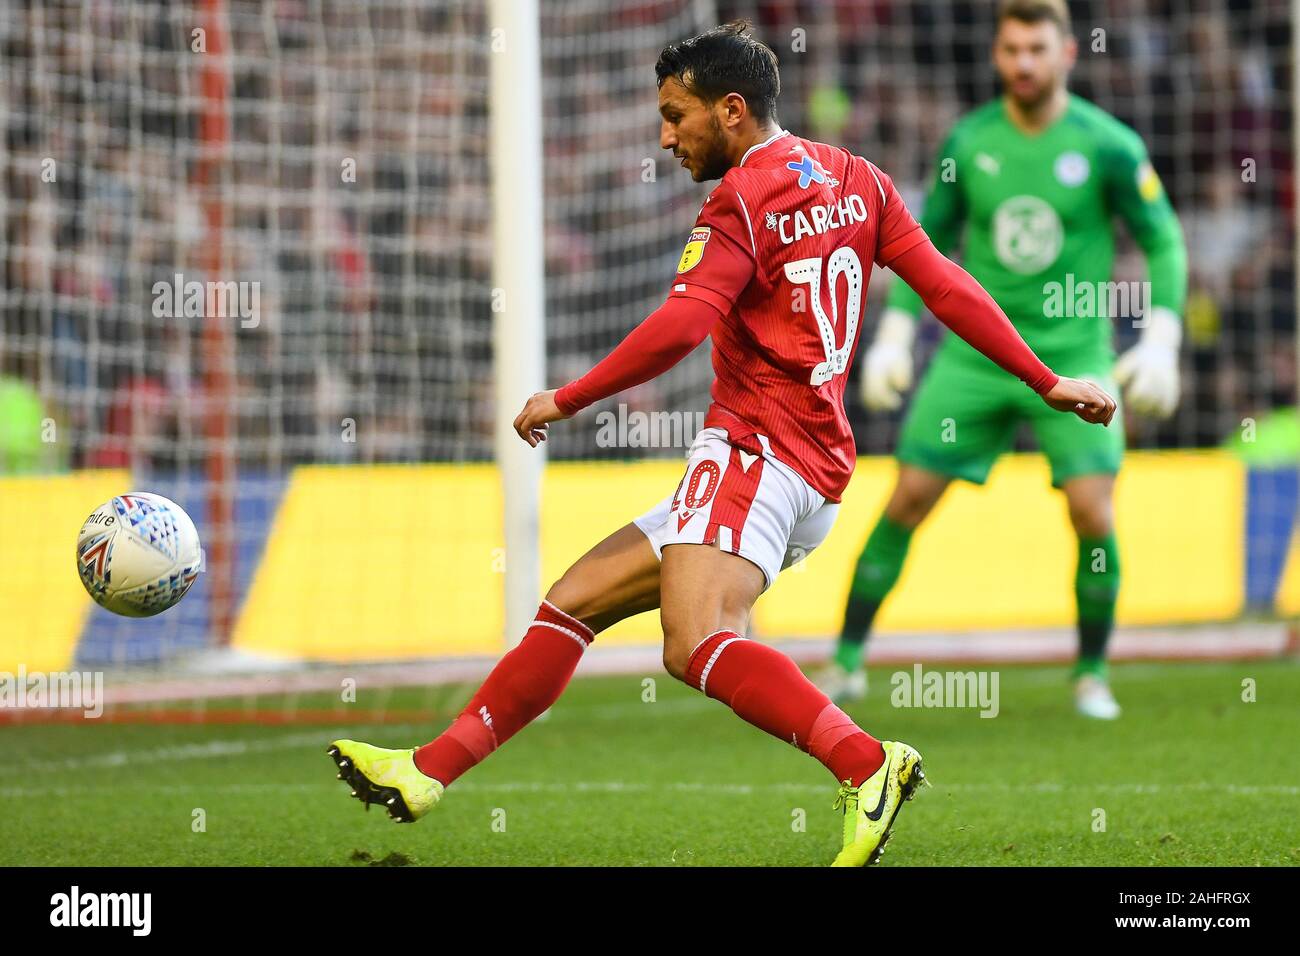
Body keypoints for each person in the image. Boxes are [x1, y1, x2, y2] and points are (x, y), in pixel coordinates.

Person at [328, 21, 1116, 866]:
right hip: (814, 462)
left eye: (677, 115)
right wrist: (1047, 379)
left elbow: (683, 324)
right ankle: (428, 771)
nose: (666, 137)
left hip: (755, 451)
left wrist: (567, 397)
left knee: (696, 637)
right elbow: (947, 286)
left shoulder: (741, 198)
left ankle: (867, 761)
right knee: (574, 600)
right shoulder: (858, 178)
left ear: (731, 111)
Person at [819, 0, 1186, 720]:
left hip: (1074, 351)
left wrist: (1164, 334)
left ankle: (1090, 674)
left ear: (1066, 55)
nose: (1023, 63)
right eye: (1011, 49)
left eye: (1036, 50)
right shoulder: (968, 141)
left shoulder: (1108, 144)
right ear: (996, 54)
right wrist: (894, 334)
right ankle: (847, 661)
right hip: (977, 358)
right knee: (907, 498)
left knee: (1093, 512)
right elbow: (915, 242)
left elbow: (1164, 238)